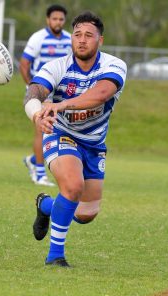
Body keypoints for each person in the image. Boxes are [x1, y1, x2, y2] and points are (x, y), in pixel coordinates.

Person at [24, 11, 127, 267]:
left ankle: (46, 206)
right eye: (78, 34)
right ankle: (55, 256)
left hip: (94, 143)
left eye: (88, 35)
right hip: (61, 134)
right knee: (72, 186)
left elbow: (102, 93)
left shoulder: (114, 65)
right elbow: (33, 93)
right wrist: (37, 114)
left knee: (85, 213)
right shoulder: (56, 66)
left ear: (100, 40)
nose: (81, 40)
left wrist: (63, 105)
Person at [20, 4, 71, 186]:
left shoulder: (69, 39)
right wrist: (31, 88)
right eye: (54, 18)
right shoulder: (38, 38)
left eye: (61, 19)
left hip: (62, 96)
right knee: (42, 130)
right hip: (42, 93)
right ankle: (40, 174)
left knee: (59, 132)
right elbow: (24, 64)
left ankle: (34, 161)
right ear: (48, 20)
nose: (58, 22)